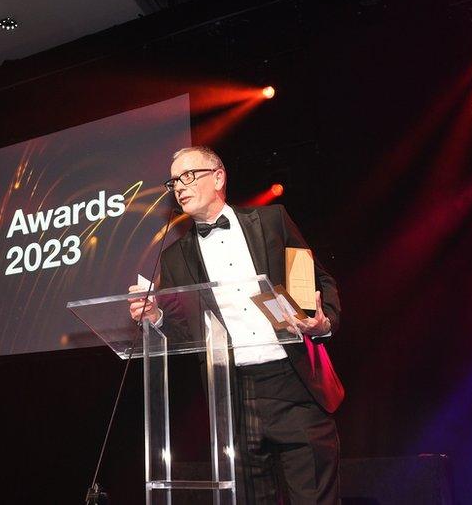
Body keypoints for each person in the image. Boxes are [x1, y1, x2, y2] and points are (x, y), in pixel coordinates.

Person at [129, 146, 344, 505]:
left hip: (295, 383)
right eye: (173, 182)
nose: (179, 187)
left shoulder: (272, 220)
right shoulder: (174, 258)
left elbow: (319, 281)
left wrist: (322, 323)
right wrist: (157, 318)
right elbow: (188, 334)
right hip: (231, 395)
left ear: (218, 177)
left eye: (188, 176)